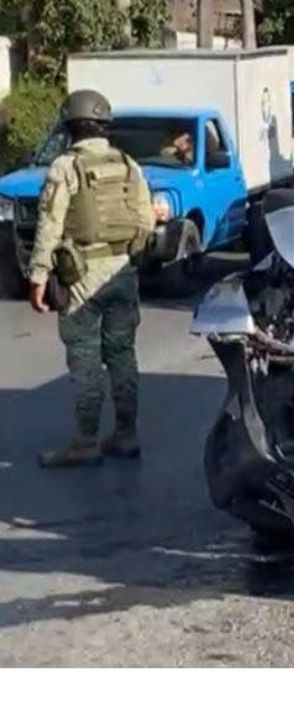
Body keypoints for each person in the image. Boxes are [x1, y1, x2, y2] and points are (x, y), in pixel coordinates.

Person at [28, 89, 155, 467]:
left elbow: (49, 224)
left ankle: (85, 442)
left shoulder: (65, 167)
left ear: (71, 126)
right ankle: (127, 434)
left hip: (80, 275)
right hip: (123, 271)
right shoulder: (129, 164)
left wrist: (38, 276)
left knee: (84, 356)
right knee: (122, 354)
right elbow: (146, 221)